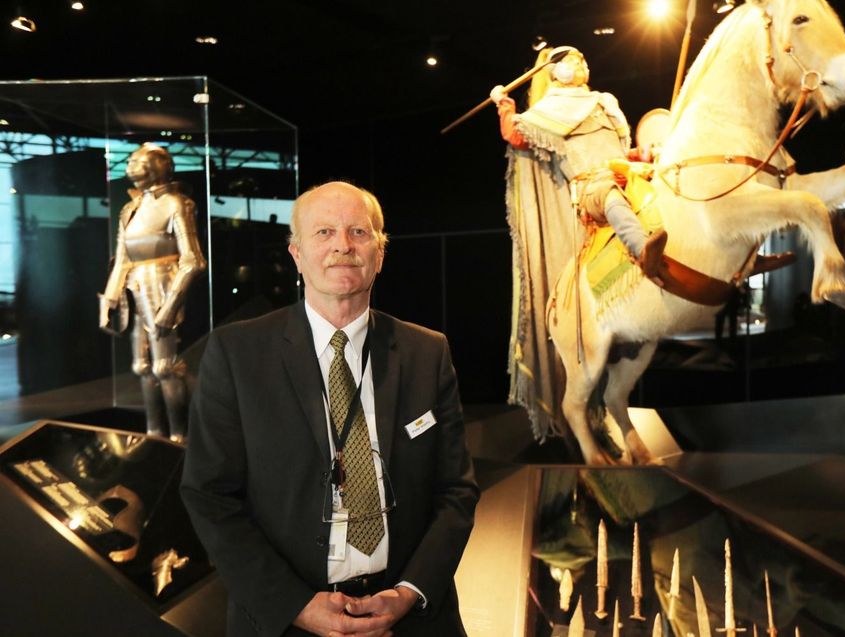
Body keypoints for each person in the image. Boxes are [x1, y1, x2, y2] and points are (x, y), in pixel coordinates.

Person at [180, 182, 479, 637]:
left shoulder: (426, 352)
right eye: (324, 232)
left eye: (359, 231)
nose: (343, 245)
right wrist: (294, 605)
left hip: (412, 618)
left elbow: (456, 490)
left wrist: (409, 592)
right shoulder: (237, 353)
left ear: (380, 253)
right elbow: (209, 495)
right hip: (286, 618)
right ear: (297, 254)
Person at [490, 45, 666, 441]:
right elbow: (516, 134)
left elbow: (620, 153)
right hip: (590, 187)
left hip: (622, 173)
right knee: (608, 192)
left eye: (584, 58)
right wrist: (503, 103)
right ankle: (641, 249)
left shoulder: (604, 105)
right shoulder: (549, 111)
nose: (581, 62)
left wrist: (645, 154)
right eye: (571, 60)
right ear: (554, 72)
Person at [99, 142, 206, 442]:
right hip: (135, 288)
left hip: (162, 285)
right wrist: (109, 300)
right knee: (142, 366)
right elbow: (122, 258)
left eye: (138, 161)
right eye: (131, 161)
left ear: (159, 166)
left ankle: (178, 437)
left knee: (164, 367)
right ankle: (153, 433)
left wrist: (171, 305)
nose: (131, 166)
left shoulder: (176, 203)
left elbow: (193, 260)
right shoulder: (129, 208)